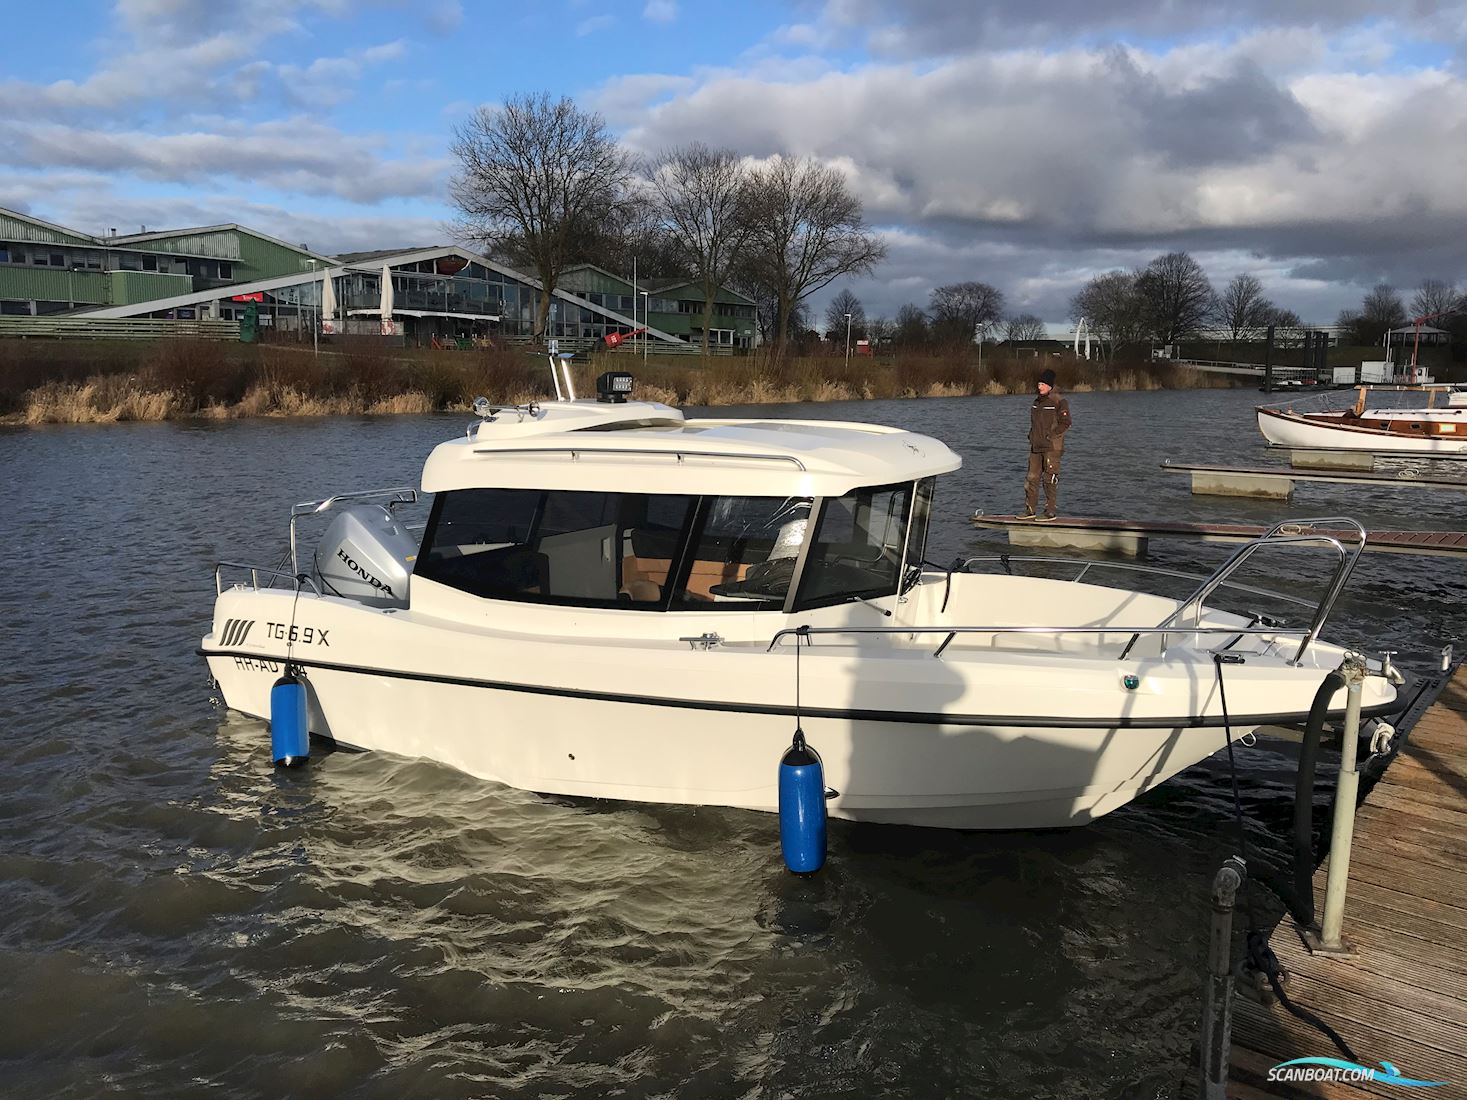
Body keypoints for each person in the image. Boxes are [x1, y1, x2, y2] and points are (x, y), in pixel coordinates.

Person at [1022, 368, 1071, 520]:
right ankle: (1030, 511)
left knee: (1049, 479)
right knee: (1031, 478)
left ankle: (1050, 511)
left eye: (1043, 384)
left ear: (1050, 386)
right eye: (1039, 384)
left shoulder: (1059, 401)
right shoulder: (1036, 402)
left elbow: (1066, 423)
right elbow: (1035, 424)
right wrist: (1031, 435)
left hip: (1052, 448)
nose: (1039, 387)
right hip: (1036, 447)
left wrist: (1051, 435)